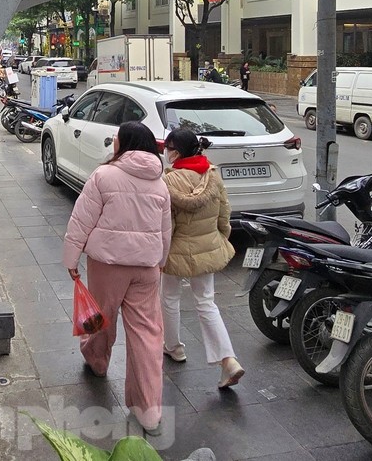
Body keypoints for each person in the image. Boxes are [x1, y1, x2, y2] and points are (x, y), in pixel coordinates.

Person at [62, 121, 171, 434]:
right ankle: (149, 411)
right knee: (148, 335)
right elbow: (166, 231)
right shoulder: (159, 182)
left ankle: (97, 361)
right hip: (147, 267)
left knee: (100, 317)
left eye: (116, 140)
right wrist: (160, 261)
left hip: (107, 265)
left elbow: (81, 220)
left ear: (124, 145)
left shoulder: (104, 175)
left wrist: (71, 260)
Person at [159, 128, 245, 389]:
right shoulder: (211, 174)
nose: (165, 151)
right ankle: (228, 360)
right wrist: (220, 238)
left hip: (176, 250)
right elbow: (224, 214)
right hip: (207, 246)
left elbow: (167, 224)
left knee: (169, 297)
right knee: (206, 302)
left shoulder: (168, 181)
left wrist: (161, 251)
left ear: (176, 151)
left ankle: (174, 347)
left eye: (168, 147)